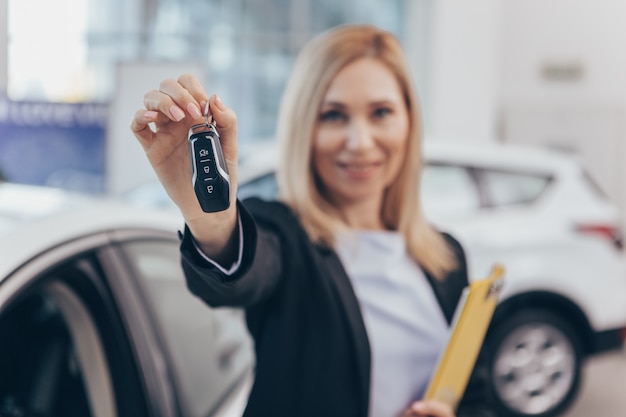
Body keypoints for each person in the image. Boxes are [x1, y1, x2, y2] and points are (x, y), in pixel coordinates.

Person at [131, 24, 494, 417]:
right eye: (334, 115)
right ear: (305, 127)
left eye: (381, 112)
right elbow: (240, 274)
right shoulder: (284, 235)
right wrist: (211, 213)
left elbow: (474, 397)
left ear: (409, 121)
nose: (360, 141)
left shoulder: (446, 257)